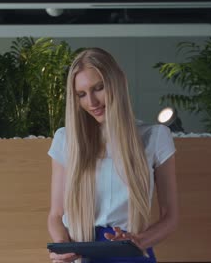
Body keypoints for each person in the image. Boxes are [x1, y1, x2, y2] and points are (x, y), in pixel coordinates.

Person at [47, 47, 178, 263]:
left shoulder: (155, 137)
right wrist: (63, 247)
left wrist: (138, 241)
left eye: (98, 88)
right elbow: (55, 214)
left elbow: (170, 218)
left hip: (131, 252)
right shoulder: (65, 140)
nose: (91, 102)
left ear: (117, 83)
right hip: (81, 252)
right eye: (81, 94)